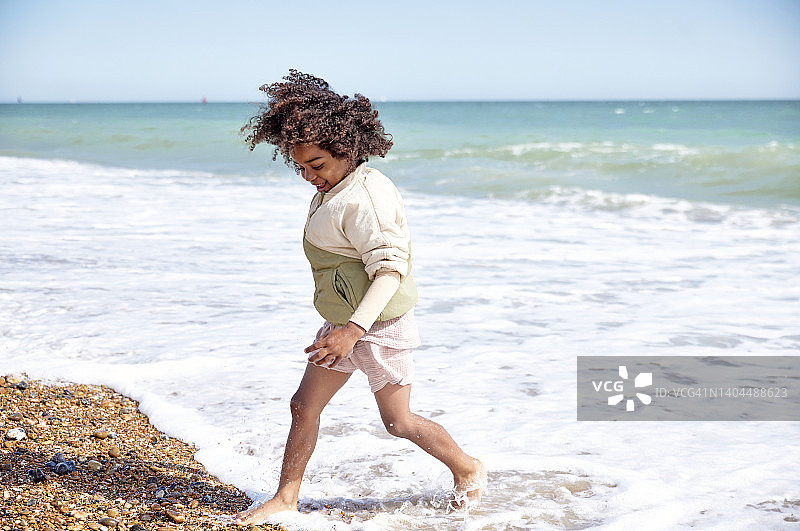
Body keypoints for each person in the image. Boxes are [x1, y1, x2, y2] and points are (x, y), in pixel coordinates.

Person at [235, 70, 485, 526]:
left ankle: (468, 469)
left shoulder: (364, 199)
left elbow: (390, 270)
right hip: (343, 328)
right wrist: (342, 329)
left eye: (317, 165)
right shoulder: (337, 187)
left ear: (346, 151)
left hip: (377, 328)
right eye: (302, 167)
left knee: (399, 423)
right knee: (303, 406)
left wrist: (354, 330)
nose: (309, 176)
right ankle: (285, 498)